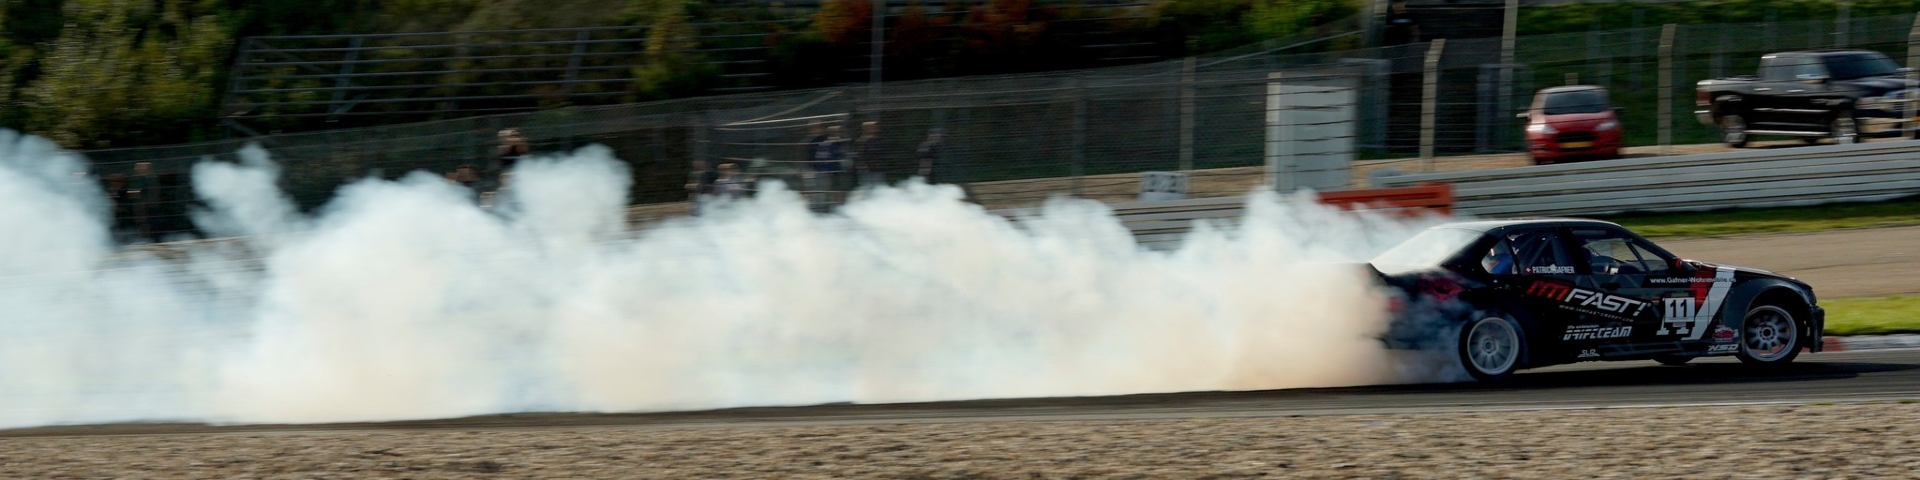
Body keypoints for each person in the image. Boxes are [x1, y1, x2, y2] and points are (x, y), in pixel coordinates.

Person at [852, 121, 886, 189]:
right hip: (867, 169)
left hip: (878, 168)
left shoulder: (878, 139)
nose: (876, 129)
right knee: (868, 187)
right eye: (874, 127)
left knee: (878, 187)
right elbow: (859, 154)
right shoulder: (862, 141)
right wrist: (862, 165)